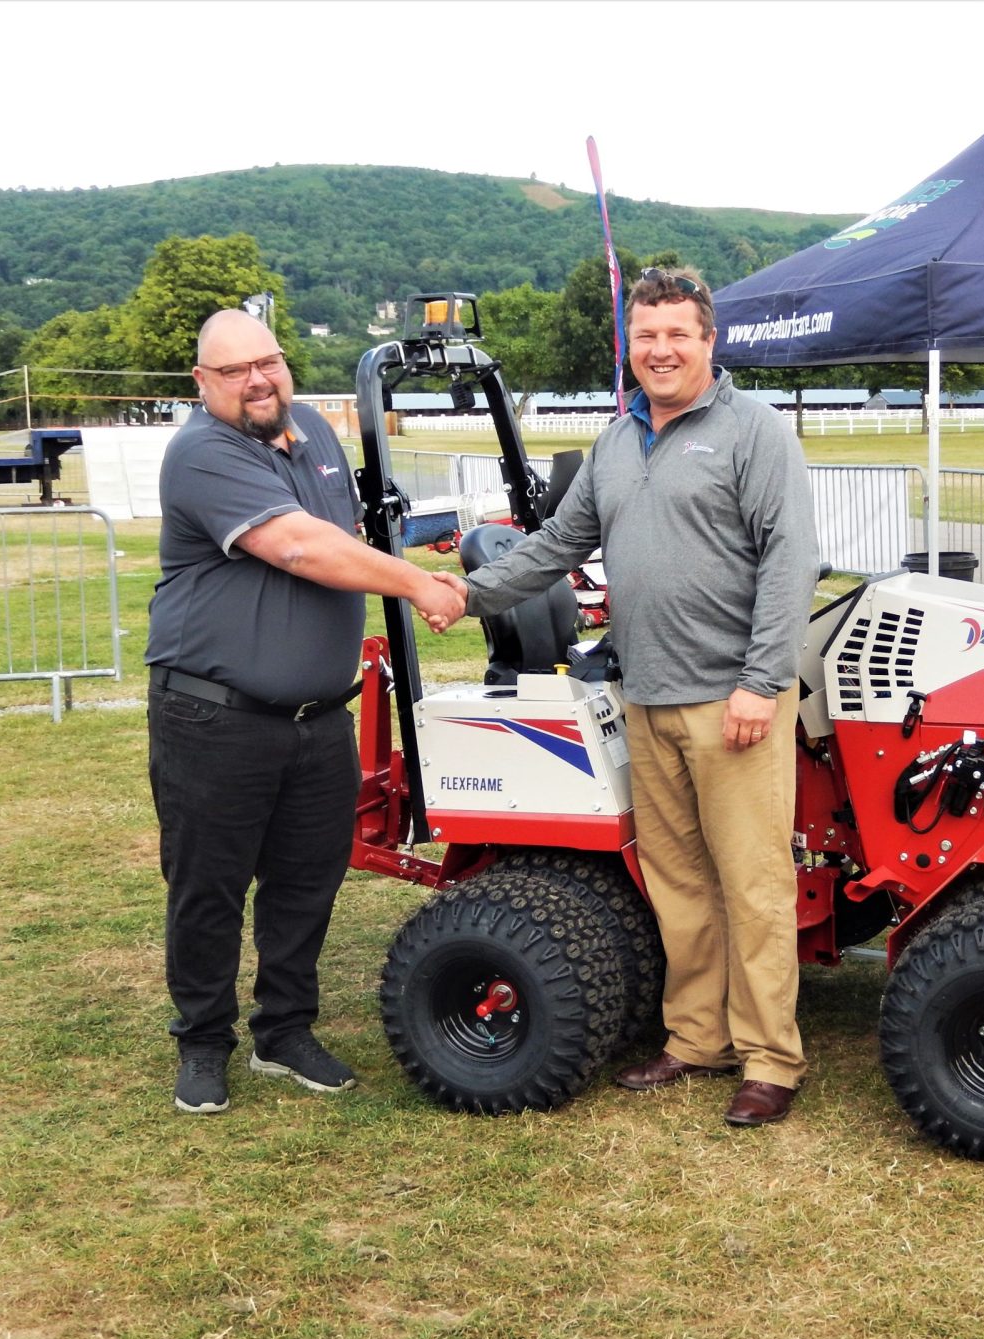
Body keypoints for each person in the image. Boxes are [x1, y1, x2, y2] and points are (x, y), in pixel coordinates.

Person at [431, 267, 818, 1127]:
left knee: (753, 885)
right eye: (647, 336)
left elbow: (790, 559)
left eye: (678, 334)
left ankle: (770, 1059)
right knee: (678, 882)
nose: (661, 350)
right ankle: (697, 1038)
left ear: (708, 340)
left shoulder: (753, 431)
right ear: (629, 345)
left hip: (733, 700)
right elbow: (557, 545)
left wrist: (761, 682)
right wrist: (468, 594)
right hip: (646, 695)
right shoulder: (615, 442)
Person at [147, 308, 465, 1115]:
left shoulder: (315, 433)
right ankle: (203, 1042)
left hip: (318, 718)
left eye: (269, 362)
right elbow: (298, 546)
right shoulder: (202, 452)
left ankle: (284, 1031)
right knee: (209, 887)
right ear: (202, 383)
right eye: (234, 371)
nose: (257, 381)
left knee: (305, 883)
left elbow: (348, 536)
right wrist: (417, 584)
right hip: (215, 716)